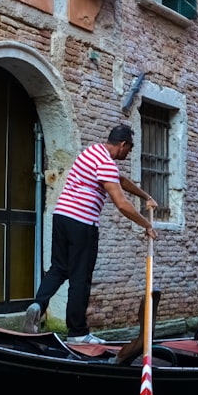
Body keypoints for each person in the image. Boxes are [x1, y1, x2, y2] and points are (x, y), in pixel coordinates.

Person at [23, 125, 158, 344]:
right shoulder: (106, 164)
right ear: (123, 145)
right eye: (129, 149)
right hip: (82, 224)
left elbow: (119, 181)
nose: (129, 154)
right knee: (80, 279)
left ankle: (38, 305)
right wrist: (146, 225)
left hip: (62, 217)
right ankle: (77, 333)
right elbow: (121, 204)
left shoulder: (93, 152)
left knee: (59, 268)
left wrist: (145, 196)